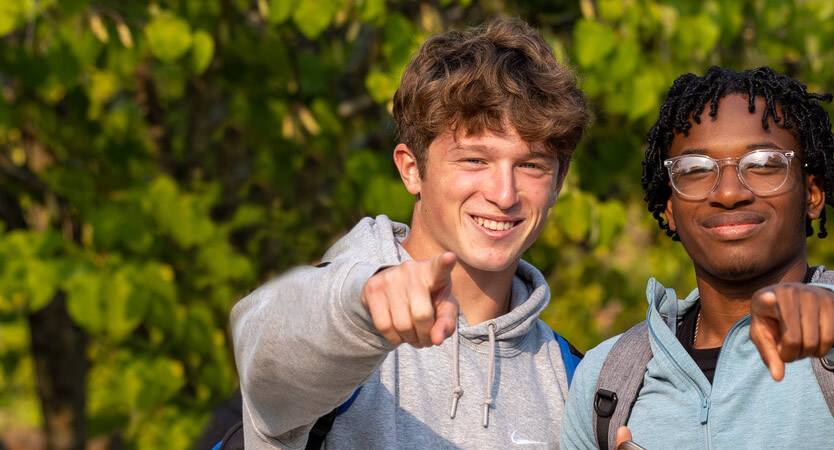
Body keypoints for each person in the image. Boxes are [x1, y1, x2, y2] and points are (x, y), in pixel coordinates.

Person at [556, 66, 834, 450]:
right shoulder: (606, 381)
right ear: (669, 207)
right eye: (696, 169)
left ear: (812, 194)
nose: (728, 192)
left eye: (763, 164)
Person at [226, 18, 590, 449]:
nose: (504, 194)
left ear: (558, 183)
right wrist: (364, 304)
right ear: (411, 169)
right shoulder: (341, 321)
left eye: (531, 165)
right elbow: (262, 340)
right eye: (474, 160)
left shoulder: (577, 382)